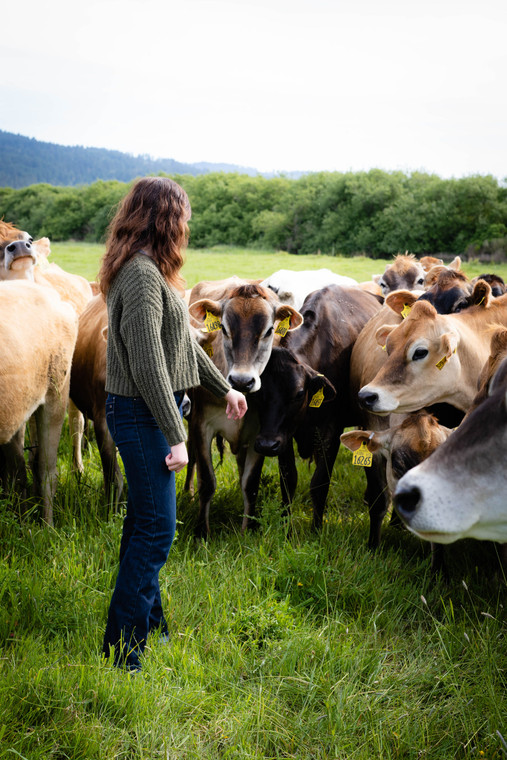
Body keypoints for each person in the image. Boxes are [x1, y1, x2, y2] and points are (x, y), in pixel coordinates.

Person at [98, 176, 247, 672]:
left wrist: (225, 387)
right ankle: (123, 653)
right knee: (158, 530)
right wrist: (179, 437)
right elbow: (148, 367)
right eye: (182, 216)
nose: (187, 225)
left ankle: (151, 626)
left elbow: (180, 348)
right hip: (141, 415)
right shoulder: (140, 277)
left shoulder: (149, 271)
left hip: (144, 412)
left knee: (144, 522)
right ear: (165, 219)